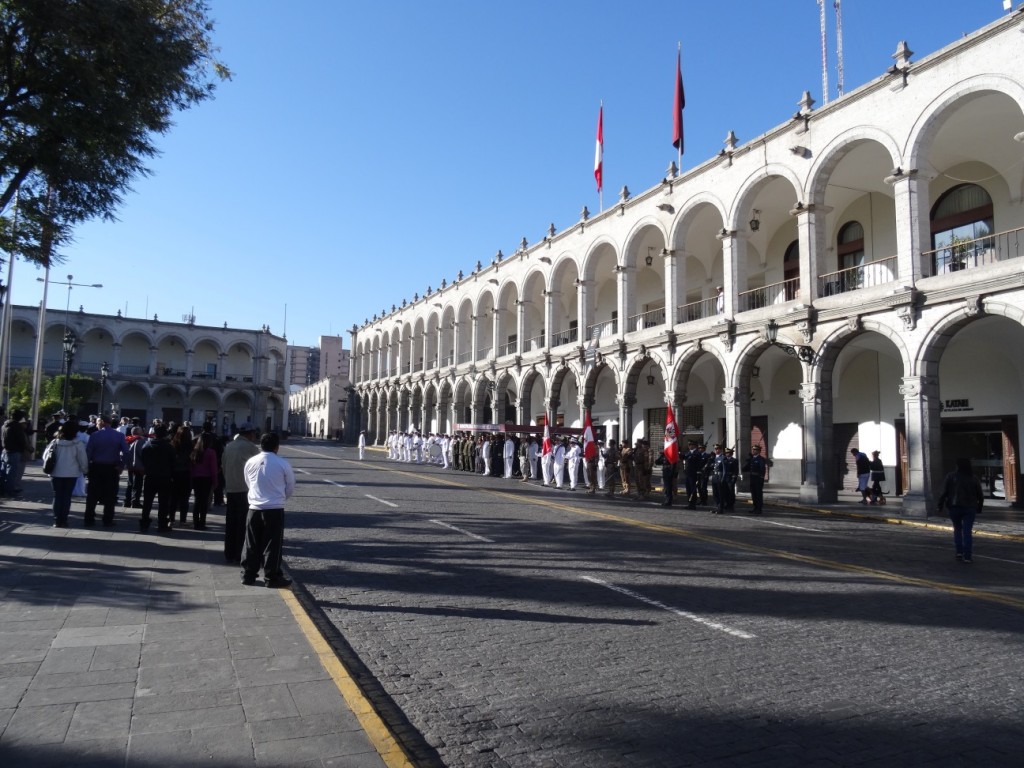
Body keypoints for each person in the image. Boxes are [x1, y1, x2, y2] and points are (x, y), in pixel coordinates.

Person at [241, 432, 296, 588]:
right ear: (277, 447)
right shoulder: (282, 463)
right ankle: (271, 577)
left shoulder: (250, 462)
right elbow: (290, 486)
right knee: (273, 545)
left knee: (251, 543)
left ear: (261, 445)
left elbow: (248, 482)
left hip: (254, 508)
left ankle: (248, 575)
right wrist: (281, 498)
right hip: (274, 508)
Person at [222, 423, 260, 562]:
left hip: (231, 489)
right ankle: (240, 553)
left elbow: (223, 466)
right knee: (243, 523)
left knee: (231, 522)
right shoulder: (251, 448)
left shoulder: (229, 446)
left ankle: (229, 552)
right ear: (249, 434)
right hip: (245, 490)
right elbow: (259, 469)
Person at [936, 457, 984, 563]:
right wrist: (979, 507)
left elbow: (944, 492)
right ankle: (967, 556)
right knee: (967, 531)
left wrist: (940, 505)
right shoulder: (973, 478)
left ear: (957, 466)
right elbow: (980, 494)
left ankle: (959, 552)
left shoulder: (951, 476)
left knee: (957, 529)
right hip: (970, 507)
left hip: (954, 506)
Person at [84, 415, 129, 526]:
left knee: (92, 495)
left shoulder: (94, 435)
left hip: (96, 467)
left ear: (102, 422)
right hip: (112, 468)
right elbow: (126, 452)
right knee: (110, 495)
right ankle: (108, 519)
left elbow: (88, 452)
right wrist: (121, 465)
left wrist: (87, 467)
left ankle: (89, 518)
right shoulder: (119, 435)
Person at [43, 421, 90, 527]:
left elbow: (45, 456)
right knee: (66, 497)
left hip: (56, 472)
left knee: (57, 496)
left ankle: (57, 519)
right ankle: (64, 519)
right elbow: (82, 459)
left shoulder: (54, 442)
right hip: (71, 473)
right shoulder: (77, 444)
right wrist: (85, 470)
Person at [139, 425, 176, 532]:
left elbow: (143, 458)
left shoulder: (147, 445)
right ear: (165, 434)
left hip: (150, 476)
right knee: (163, 502)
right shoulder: (169, 447)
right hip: (164, 477)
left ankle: (144, 523)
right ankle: (162, 523)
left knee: (147, 502)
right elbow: (173, 463)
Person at [190, 431, 219, 529]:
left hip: (196, 478)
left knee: (197, 500)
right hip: (207, 479)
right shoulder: (211, 452)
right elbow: (213, 468)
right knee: (204, 501)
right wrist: (215, 482)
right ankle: (202, 522)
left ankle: (195, 522)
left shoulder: (194, 451)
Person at [1, 409, 30, 496]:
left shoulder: (4, 425)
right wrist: (25, 448)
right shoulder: (17, 426)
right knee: (12, 474)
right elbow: (21, 440)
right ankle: (10, 491)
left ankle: (3, 489)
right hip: (14, 451)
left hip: (5, 450)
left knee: (3, 472)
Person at [170, 425, 194, 525]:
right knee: (184, 498)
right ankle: (183, 520)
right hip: (186, 473)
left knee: (173, 498)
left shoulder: (173, 444)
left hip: (174, 474)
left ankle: (171, 519)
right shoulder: (191, 446)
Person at [743, 445, 773, 514]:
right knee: (753, 494)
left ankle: (759, 508)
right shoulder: (752, 459)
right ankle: (755, 507)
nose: (753, 451)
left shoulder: (761, 459)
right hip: (752, 478)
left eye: (755, 450)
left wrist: (761, 478)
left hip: (758, 479)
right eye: (753, 450)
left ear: (759, 451)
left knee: (758, 494)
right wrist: (748, 460)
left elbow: (762, 469)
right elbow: (744, 469)